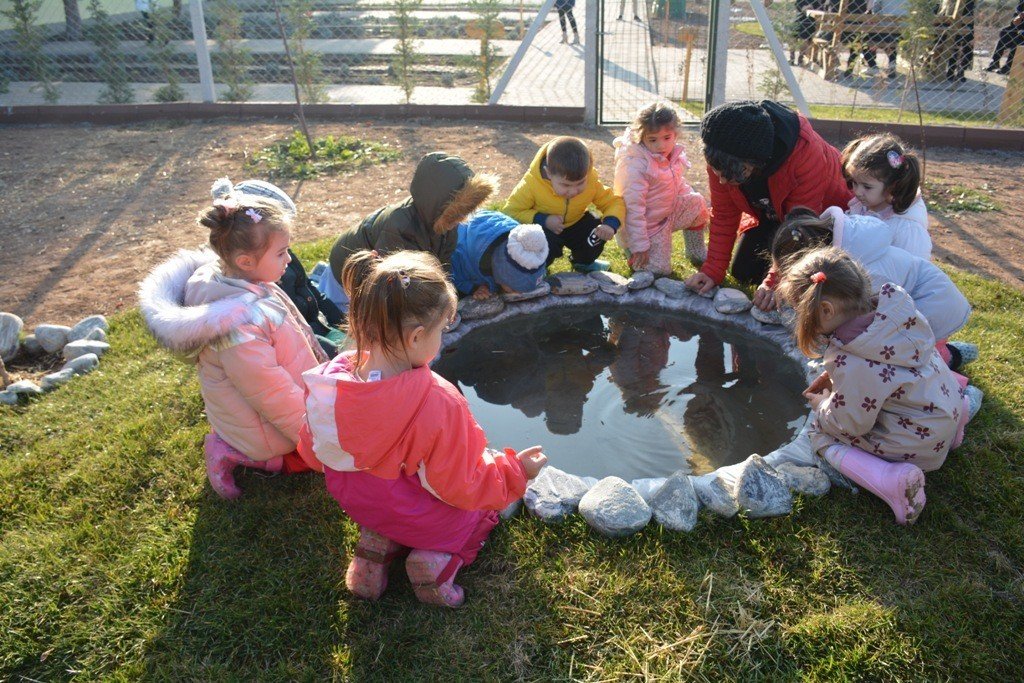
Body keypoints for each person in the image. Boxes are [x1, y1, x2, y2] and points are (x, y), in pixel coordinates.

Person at [300, 250, 547, 607]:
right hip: (422, 518)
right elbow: (462, 485)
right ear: (416, 337)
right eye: (442, 329)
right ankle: (435, 564)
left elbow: (311, 451)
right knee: (479, 517)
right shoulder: (437, 401)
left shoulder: (329, 383)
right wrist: (515, 472)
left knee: (391, 503)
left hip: (361, 504)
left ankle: (378, 546)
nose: (443, 338)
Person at [139, 193, 329, 499]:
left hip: (258, 408)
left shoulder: (236, 281)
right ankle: (231, 450)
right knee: (313, 459)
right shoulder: (237, 326)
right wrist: (316, 437)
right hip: (257, 426)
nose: (290, 260)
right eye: (281, 253)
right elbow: (271, 393)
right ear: (245, 261)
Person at [776, 247, 970, 525]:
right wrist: (836, 379)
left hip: (919, 443)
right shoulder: (894, 314)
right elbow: (890, 377)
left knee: (821, 435)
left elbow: (850, 424)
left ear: (826, 310)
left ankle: (890, 480)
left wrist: (823, 406)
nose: (799, 319)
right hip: (944, 409)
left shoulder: (854, 363)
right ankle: (957, 425)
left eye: (801, 311)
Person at [764, 206, 981, 375]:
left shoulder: (870, 275)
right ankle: (944, 349)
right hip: (922, 300)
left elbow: (872, 331)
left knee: (907, 360)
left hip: (934, 307)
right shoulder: (849, 253)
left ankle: (949, 357)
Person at [685, 100, 852, 295]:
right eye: (716, 172)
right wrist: (712, 270)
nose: (721, 181)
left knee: (813, 282)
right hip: (774, 214)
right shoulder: (721, 152)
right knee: (745, 271)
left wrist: (774, 283)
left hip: (822, 220)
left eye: (729, 176)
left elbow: (801, 227)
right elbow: (724, 214)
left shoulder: (806, 155)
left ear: (754, 163)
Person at [327, 152, 498, 304]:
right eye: (458, 211)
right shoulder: (399, 227)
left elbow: (442, 269)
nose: (462, 218)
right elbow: (392, 284)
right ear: (437, 203)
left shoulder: (446, 223)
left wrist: (453, 296)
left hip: (389, 273)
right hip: (347, 273)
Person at [211, 178, 345, 357]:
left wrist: (344, 323)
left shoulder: (275, 256)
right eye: (281, 251)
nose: (288, 257)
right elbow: (291, 336)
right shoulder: (261, 280)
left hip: (320, 327)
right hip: (309, 344)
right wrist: (334, 351)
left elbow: (309, 289)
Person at [502, 136, 626, 273]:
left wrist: (611, 223)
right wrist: (542, 219)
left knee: (594, 228)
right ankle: (538, 268)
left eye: (580, 183)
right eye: (565, 185)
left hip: (575, 222)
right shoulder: (531, 184)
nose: (573, 191)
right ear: (549, 173)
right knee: (539, 239)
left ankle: (583, 262)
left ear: (588, 169)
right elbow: (510, 211)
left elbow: (612, 201)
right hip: (545, 229)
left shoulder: (591, 180)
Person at [613, 101, 709, 274]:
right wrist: (639, 244)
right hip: (645, 226)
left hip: (666, 214)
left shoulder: (672, 154)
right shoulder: (635, 165)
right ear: (641, 137)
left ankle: (695, 250)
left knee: (697, 203)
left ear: (675, 134)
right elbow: (633, 209)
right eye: (653, 139)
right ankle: (632, 253)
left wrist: (688, 200)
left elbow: (677, 183)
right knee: (658, 270)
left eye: (667, 138)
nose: (661, 145)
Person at [841, 133, 930, 260]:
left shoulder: (906, 228)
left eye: (867, 187)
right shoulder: (864, 204)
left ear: (892, 186)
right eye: (854, 182)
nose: (857, 191)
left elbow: (913, 269)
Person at [451, 210, 549, 299]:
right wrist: (473, 288)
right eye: (514, 289)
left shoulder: (524, 242)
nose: (519, 294)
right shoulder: (459, 256)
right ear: (502, 275)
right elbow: (452, 277)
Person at [985, 1, 1024, 75]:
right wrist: (1019, 16)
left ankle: (1008, 67)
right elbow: (1015, 19)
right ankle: (995, 62)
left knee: (1018, 41)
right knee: (1005, 33)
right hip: (1018, 28)